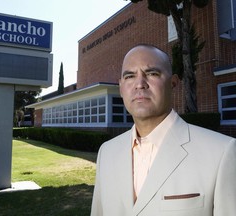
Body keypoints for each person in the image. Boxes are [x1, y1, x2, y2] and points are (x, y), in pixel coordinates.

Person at [90, 44, 236, 216]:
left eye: (152, 73)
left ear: (173, 83)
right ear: (121, 87)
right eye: (130, 76)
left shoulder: (221, 152)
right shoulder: (107, 152)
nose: (140, 84)